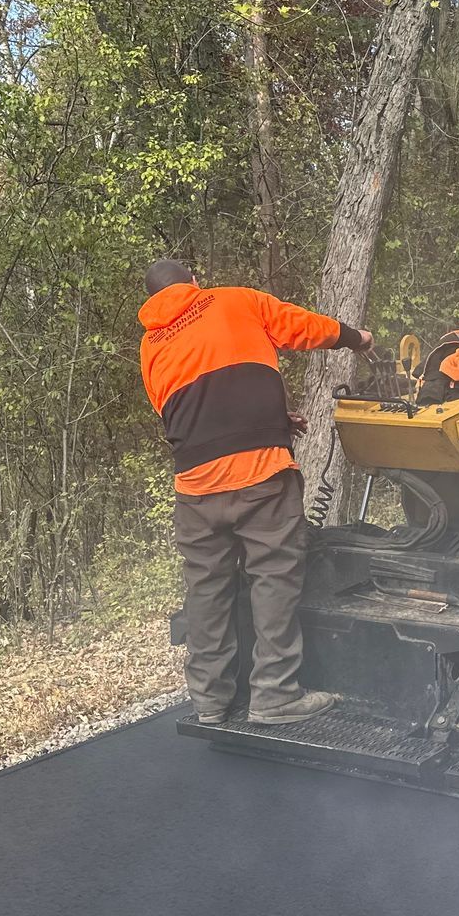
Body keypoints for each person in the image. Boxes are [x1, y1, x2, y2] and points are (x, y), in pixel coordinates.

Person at [138, 259, 373, 726]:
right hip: (260, 477)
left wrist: (275, 419)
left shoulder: (151, 343)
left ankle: (209, 700)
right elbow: (300, 327)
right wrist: (355, 337)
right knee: (275, 578)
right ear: (194, 280)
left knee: (205, 591)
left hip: (194, 487)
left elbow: (183, 408)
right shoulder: (233, 299)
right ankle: (274, 696)